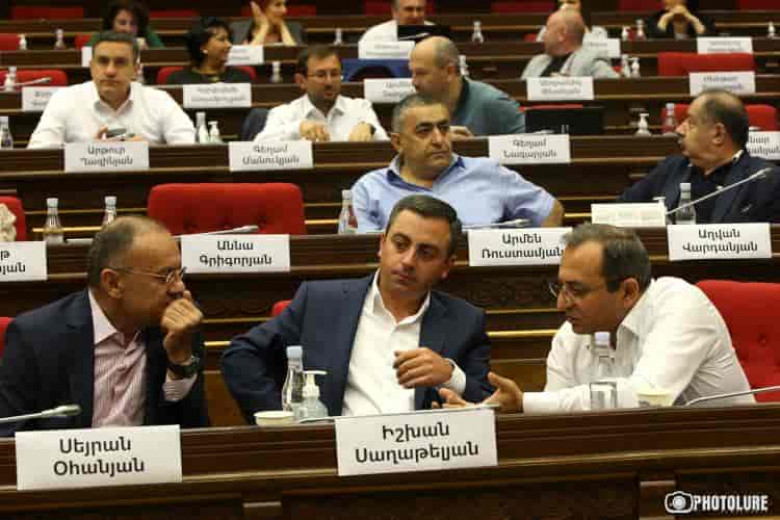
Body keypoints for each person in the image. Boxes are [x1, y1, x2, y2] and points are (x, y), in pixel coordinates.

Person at [221, 195, 493, 421]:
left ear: (446, 266)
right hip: (335, 457)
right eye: (400, 245)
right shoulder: (321, 302)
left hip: (423, 457)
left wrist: (451, 376)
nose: (408, 261)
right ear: (382, 245)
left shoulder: (465, 321)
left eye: (426, 253)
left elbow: (490, 403)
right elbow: (240, 356)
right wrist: (284, 420)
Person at [439, 223, 754, 414]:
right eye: (560, 287)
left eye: (576, 290)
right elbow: (558, 421)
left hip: (729, 466)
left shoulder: (681, 303)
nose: (561, 304)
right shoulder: (570, 335)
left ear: (628, 291)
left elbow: (647, 398)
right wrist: (484, 416)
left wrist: (526, 403)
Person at [0, 216, 209, 435]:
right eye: (165, 276)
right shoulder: (37, 337)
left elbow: (195, 436)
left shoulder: (180, 328)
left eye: (179, 274)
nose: (179, 287)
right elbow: (8, 437)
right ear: (113, 283)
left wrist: (181, 362)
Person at [351, 94, 564, 231]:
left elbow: (550, 210)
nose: (439, 140)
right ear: (398, 142)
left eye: (444, 128)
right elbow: (362, 253)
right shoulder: (369, 189)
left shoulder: (488, 172)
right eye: (424, 131)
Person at [619, 90, 780, 223]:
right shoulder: (671, 168)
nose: (679, 130)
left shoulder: (764, 180)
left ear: (718, 134)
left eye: (690, 123)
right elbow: (620, 210)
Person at [28, 31, 195, 149]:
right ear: (91, 66)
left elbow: (189, 150)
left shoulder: (160, 101)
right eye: (102, 61)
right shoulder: (64, 99)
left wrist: (144, 152)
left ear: (136, 69)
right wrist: (88, 153)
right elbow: (38, 154)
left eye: (120, 62)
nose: (110, 71)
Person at [255, 45, 388, 142]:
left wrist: (370, 128)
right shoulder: (283, 114)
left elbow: (385, 147)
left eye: (334, 74)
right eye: (321, 75)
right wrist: (297, 128)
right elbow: (259, 147)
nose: (329, 82)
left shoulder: (361, 108)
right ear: (301, 81)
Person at [410, 36, 526, 138]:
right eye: (412, 73)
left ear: (449, 72)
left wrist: (471, 147)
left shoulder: (494, 104)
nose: (414, 82)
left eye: (421, 73)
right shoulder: (414, 106)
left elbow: (528, 148)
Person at [522, 9, 618, 79]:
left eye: (547, 29)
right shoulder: (536, 62)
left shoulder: (592, 62)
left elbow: (614, 88)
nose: (543, 36)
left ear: (561, 34)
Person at [166, 17, 254, 85]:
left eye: (228, 40)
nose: (229, 45)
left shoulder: (241, 78)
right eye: (222, 39)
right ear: (203, 47)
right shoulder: (178, 80)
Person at [87, 0, 164, 50]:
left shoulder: (146, 32)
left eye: (133, 24)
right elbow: (85, 59)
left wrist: (147, 53)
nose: (128, 29)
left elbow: (164, 55)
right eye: (122, 23)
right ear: (111, 23)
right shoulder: (101, 35)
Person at [231, 0, 305, 47]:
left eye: (285, 4)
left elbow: (296, 57)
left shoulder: (296, 28)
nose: (284, 10)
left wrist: (282, 27)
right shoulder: (237, 29)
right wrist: (264, 27)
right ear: (258, 7)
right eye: (277, 5)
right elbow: (247, 59)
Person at [359, 0, 432, 43]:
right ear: (394, 12)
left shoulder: (435, 34)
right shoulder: (373, 36)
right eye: (409, 9)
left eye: (420, 9)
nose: (415, 15)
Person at [535, 0, 609, 43]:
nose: (566, 7)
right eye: (561, 3)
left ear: (582, 5)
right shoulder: (546, 31)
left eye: (571, 2)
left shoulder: (598, 32)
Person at [645, 0, 715, 39]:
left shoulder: (704, 19)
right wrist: (664, 20)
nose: (663, 0)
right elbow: (654, 45)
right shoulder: (654, 19)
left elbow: (710, 43)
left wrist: (694, 21)